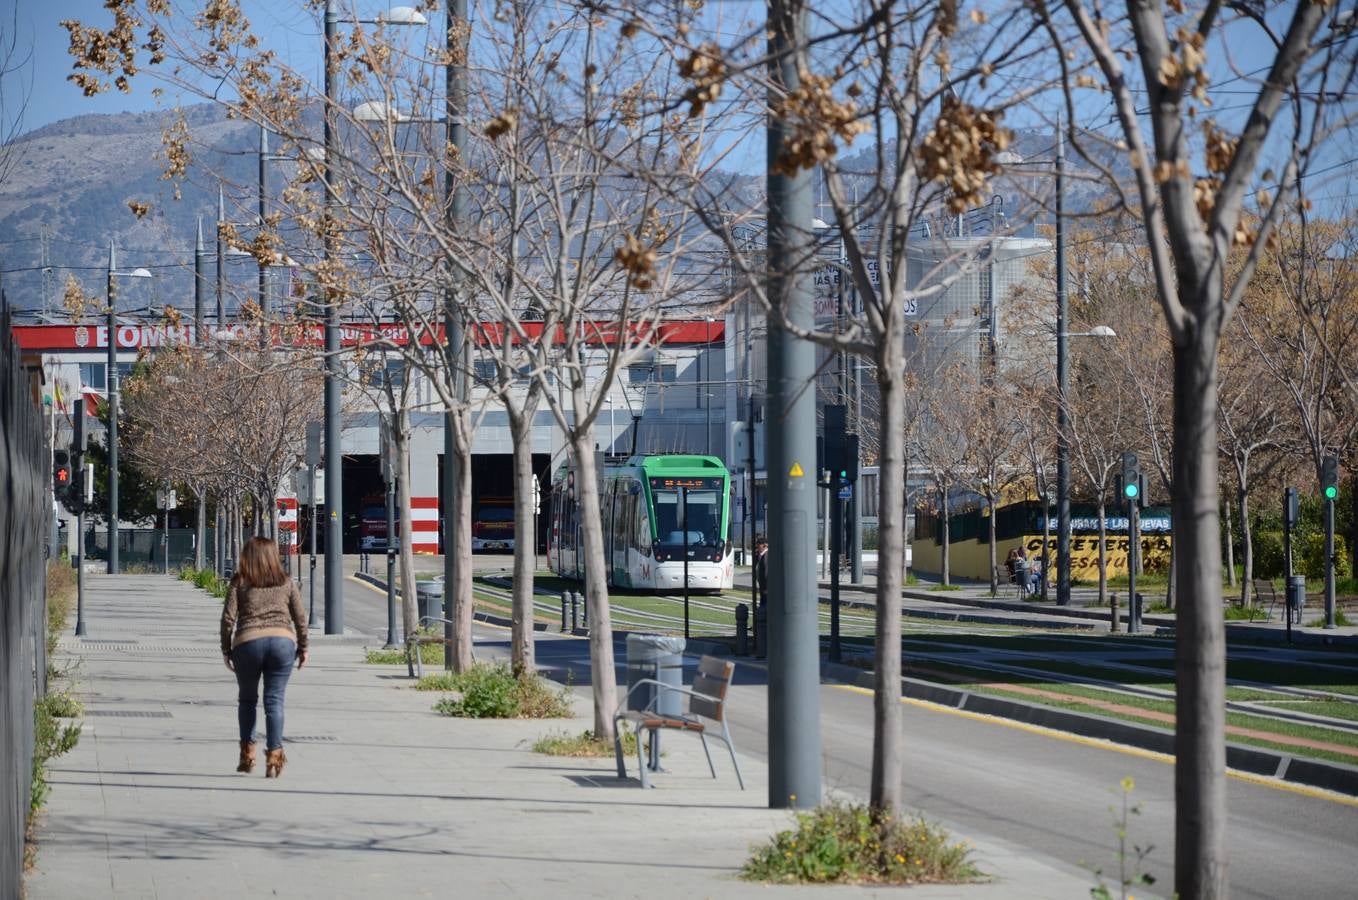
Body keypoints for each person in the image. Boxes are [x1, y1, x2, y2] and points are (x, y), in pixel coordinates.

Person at [221, 536, 308, 778]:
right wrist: (303, 647)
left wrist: (226, 649)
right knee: (274, 701)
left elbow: (228, 618)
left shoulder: (240, 581)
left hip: (247, 643)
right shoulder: (286, 581)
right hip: (281, 642)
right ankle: (274, 757)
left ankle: (247, 755)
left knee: (247, 700)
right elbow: (300, 617)